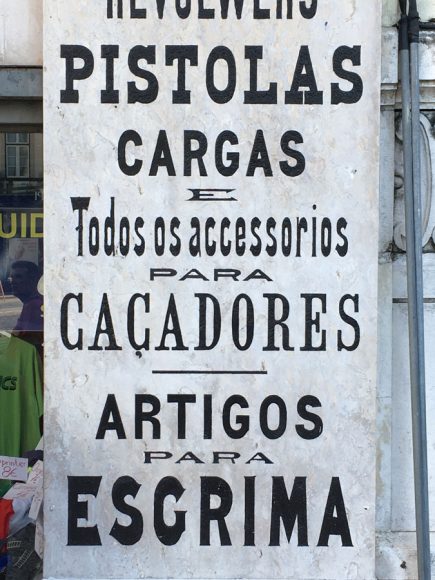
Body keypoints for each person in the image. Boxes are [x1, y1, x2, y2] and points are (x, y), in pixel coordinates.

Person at [8, 261, 43, 333]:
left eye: (18, 277)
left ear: (33, 280)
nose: (12, 282)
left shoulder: (34, 305)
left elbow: (26, 340)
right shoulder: (30, 303)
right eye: (12, 277)